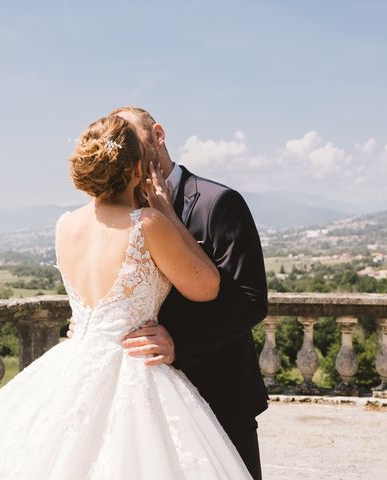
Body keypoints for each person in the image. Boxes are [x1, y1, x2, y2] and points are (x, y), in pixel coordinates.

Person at [0, 114, 254, 479]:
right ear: (138, 168)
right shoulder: (149, 224)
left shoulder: (65, 226)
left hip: (73, 362)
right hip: (136, 369)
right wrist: (168, 214)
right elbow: (207, 286)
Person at [70, 107, 269, 480]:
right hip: (132, 399)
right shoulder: (114, 211)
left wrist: (179, 341)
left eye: (136, 141)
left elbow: (250, 299)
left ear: (158, 135)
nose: (132, 155)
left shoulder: (217, 202)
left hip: (217, 388)